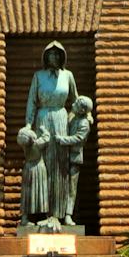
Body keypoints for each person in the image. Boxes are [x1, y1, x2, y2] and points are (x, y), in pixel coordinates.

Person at [17, 41, 75, 223]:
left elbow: (75, 102)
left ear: (62, 57)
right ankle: (43, 212)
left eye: (58, 54)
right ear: (46, 57)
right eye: (51, 54)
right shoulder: (38, 76)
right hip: (42, 119)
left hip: (61, 120)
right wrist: (28, 124)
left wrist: (78, 120)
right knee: (43, 167)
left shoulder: (68, 76)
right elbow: (31, 102)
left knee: (61, 166)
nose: (54, 57)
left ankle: (61, 214)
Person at [54, 95, 95, 228]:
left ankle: (68, 215)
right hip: (64, 157)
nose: (74, 102)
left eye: (77, 103)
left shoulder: (84, 123)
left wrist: (62, 139)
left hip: (74, 158)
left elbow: (78, 139)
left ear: (82, 110)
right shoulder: (73, 117)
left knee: (71, 189)